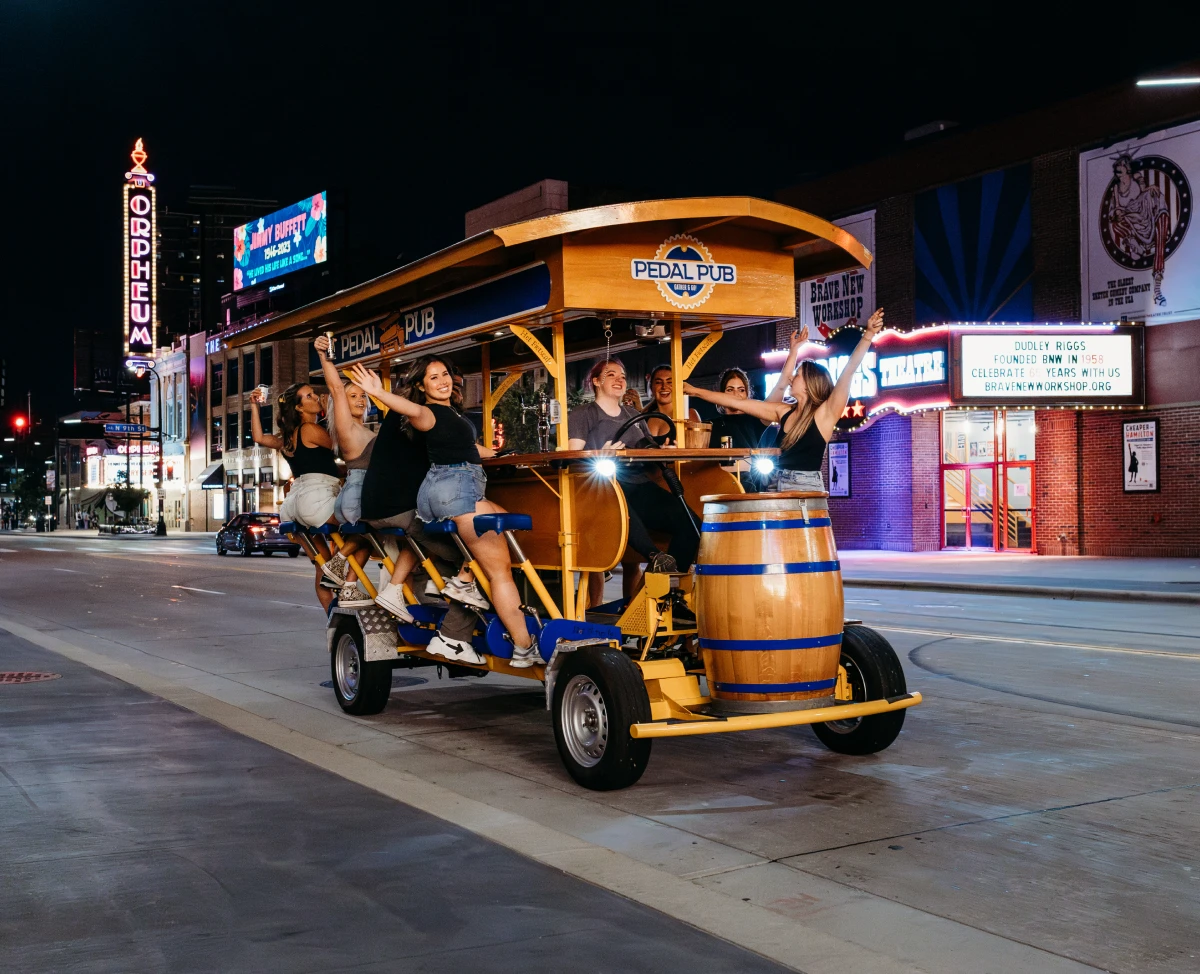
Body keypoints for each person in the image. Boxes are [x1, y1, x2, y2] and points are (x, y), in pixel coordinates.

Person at [349, 357, 541, 668]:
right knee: (498, 573)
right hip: (456, 492)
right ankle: (523, 646)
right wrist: (379, 393)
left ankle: (464, 579)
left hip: (453, 489)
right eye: (433, 377)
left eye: (445, 374)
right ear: (421, 386)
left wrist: (503, 454)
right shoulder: (428, 412)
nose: (443, 381)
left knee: (508, 530)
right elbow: (412, 410)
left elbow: (467, 448)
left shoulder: (449, 414)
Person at [684, 308, 885, 493]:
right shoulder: (783, 411)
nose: (790, 378)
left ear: (808, 384)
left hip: (805, 487)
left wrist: (868, 335)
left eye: (796, 375)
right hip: (775, 483)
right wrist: (695, 391)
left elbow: (848, 371)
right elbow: (738, 402)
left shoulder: (825, 414)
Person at [568, 359, 700, 600]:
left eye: (622, 375)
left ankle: (667, 593)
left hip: (639, 484)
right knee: (619, 506)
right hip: (603, 486)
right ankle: (654, 557)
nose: (619, 379)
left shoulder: (634, 414)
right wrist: (599, 454)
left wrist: (666, 451)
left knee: (691, 523)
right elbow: (573, 456)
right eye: (611, 375)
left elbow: (647, 449)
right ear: (596, 381)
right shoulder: (583, 414)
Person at [250, 381, 341, 611]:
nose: (316, 397)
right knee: (359, 525)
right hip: (318, 497)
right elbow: (345, 446)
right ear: (299, 408)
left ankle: (332, 615)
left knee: (322, 565)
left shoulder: (288, 437)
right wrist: (332, 406)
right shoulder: (311, 429)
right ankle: (341, 569)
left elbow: (260, 438)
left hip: (295, 505)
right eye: (309, 396)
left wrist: (254, 407)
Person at [311, 335, 378, 608]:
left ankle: (349, 585)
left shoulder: (367, 430)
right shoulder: (347, 427)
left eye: (362, 395)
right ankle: (338, 563)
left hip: (360, 495)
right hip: (358, 496)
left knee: (370, 539)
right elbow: (336, 388)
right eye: (353, 396)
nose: (360, 399)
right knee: (387, 525)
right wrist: (324, 356)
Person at [708, 367, 770, 449]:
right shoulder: (710, 425)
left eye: (741, 390)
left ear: (747, 394)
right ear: (721, 394)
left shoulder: (757, 420)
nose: (736, 394)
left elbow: (781, 387)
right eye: (730, 390)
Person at [642, 365, 699, 445]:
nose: (664, 387)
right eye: (658, 382)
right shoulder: (644, 418)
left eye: (670, 382)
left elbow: (698, 452)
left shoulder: (688, 415)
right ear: (652, 388)